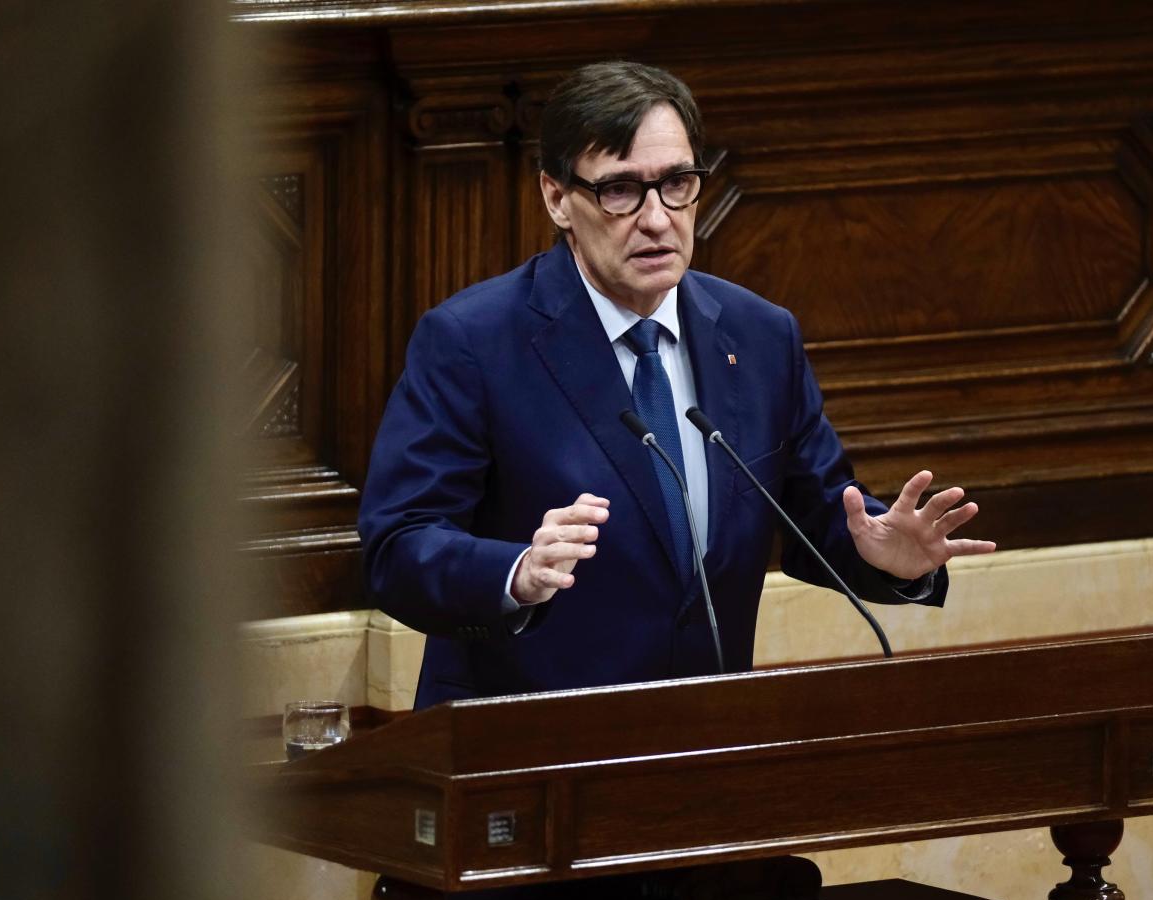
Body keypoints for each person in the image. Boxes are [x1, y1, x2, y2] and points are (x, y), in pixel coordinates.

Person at [359, 61, 994, 711]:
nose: (657, 219)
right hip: (528, 749)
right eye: (620, 191)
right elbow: (398, 547)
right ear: (556, 198)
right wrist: (516, 573)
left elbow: (824, 519)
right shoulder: (472, 342)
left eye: (676, 184)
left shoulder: (759, 336)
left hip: (702, 745)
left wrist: (891, 558)